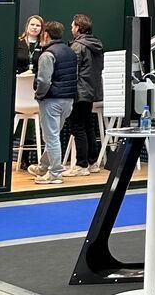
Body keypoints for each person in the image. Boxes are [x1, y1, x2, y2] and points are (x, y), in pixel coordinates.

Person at [33, 20, 77, 186]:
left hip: (52, 99)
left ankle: (55, 173)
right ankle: (44, 166)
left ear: (46, 34)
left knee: (51, 138)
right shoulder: (70, 51)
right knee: (53, 136)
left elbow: (44, 81)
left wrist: (39, 95)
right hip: (68, 100)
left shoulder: (47, 54)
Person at [63, 13, 105, 177]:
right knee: (88, 126)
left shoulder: (77, 46)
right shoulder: (96, 45)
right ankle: (92, 162)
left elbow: (73, 70)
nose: (71, 28)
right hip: (91, 91)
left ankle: (81, 164)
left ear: (78, 28)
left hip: (79, 91)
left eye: (72, 25)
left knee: (77, 127)